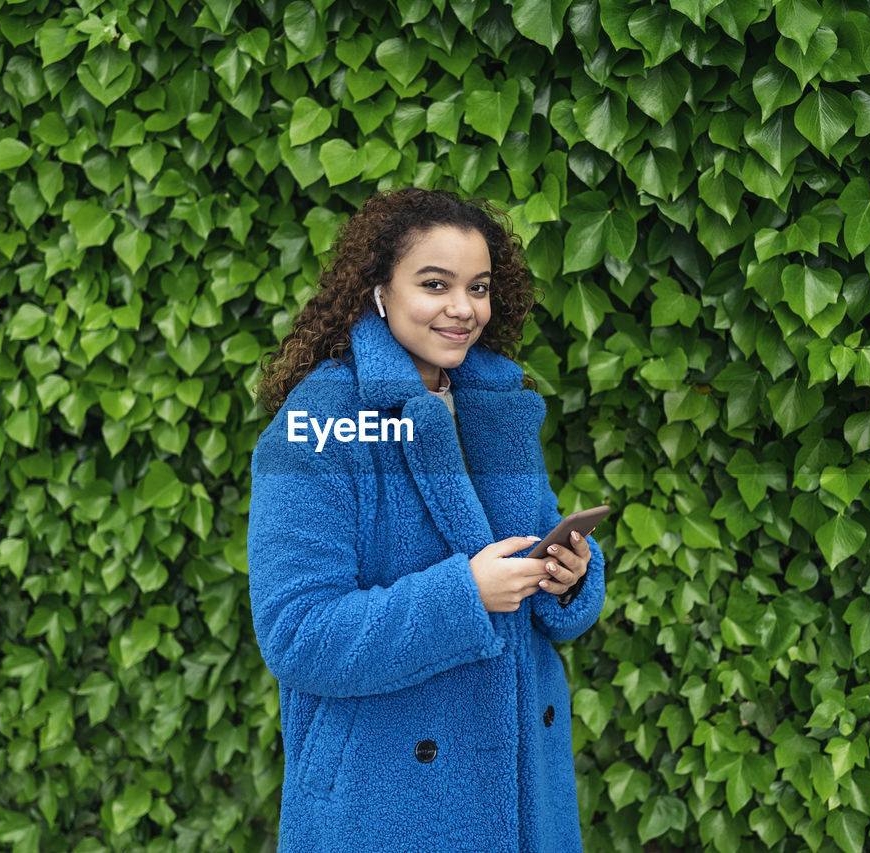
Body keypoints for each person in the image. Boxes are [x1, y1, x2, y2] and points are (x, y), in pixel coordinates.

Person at [246, 188, 606, 852]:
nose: (463, 308)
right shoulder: (315, 425)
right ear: (381, 287)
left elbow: (551, 569)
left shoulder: (495, 404)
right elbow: (295, 633)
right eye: (435, 284)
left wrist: (570, 575)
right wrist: (462, 596)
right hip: (387, 806)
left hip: (523, 791)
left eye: (479, 286)